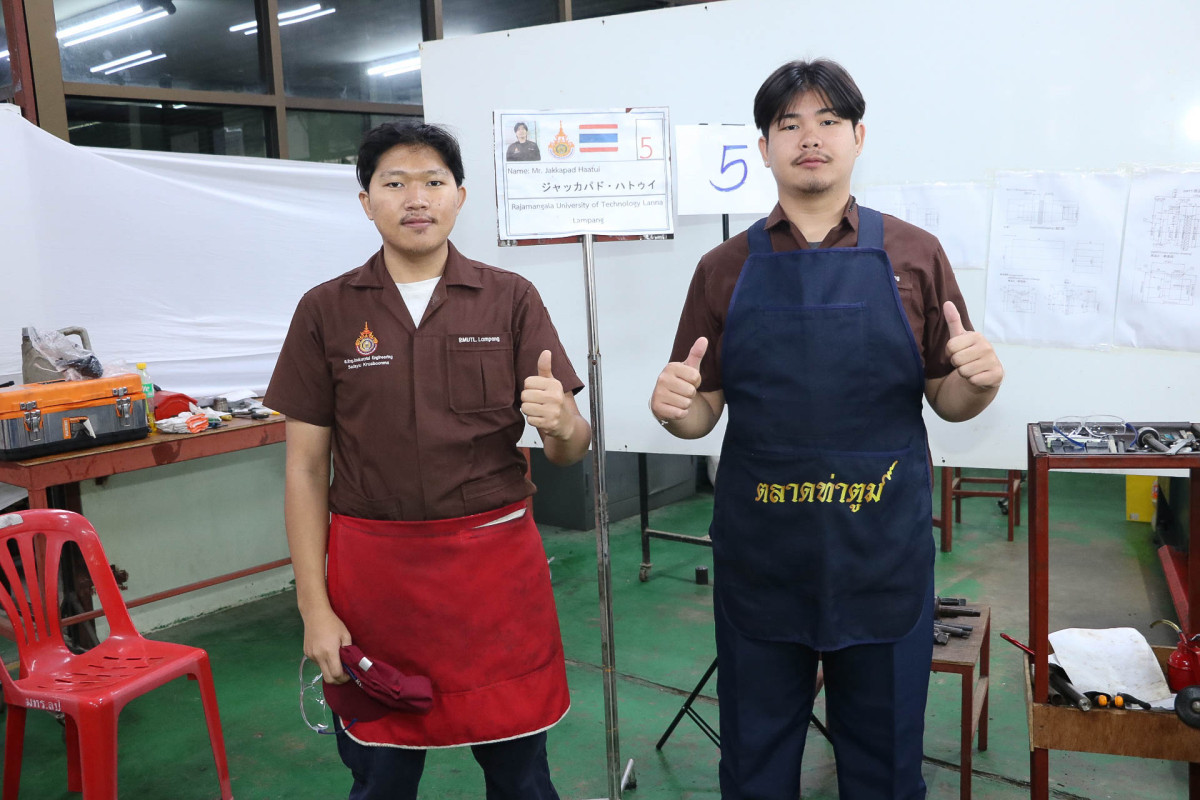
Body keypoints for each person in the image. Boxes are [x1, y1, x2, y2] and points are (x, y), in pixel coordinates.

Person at [649, 59, 1004, 800]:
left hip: (881, 552)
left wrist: (977, 383)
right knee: (755, 765)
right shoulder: (722, 267)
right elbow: (702, 410)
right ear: (764, 147)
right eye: (790, 124)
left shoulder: (915, 254)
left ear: (858, 137)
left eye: (828, 121)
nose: (810, 138)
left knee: (885, 768)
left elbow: (947, 401)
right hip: (763, 555)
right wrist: (677, 409)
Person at [265, 121, 591, 800]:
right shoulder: (325, 311)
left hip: (494, 579)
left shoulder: (510, 298)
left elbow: (570, 448)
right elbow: (305, 469)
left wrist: (563, 423)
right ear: (366, 202)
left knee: (521, 776)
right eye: (395, 183)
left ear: (459, 196)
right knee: (381, 777)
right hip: (376, 586)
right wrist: (313, 609)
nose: (416, 198)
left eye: (433, 182)